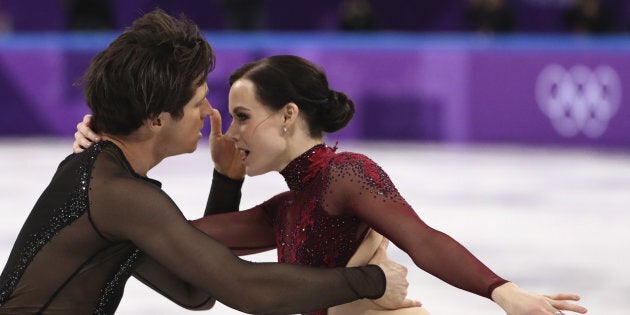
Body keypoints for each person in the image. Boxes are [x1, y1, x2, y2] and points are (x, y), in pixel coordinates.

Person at [73, 54, 589, 315]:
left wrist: (505, 293)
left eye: (241, 117)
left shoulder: (345, 174)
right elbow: (175, 240)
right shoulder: (286, 206)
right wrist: (104, 158)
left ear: (288, 116)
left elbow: (422, 239)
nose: (229, 135)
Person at [0, 10, 418, 315]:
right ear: (157, 119)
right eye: (197, 102)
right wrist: (372, 280)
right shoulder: (119, 195)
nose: (208, 113)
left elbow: (193, 292)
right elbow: (248, 289)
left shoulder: (104, 177)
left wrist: (226, 181)